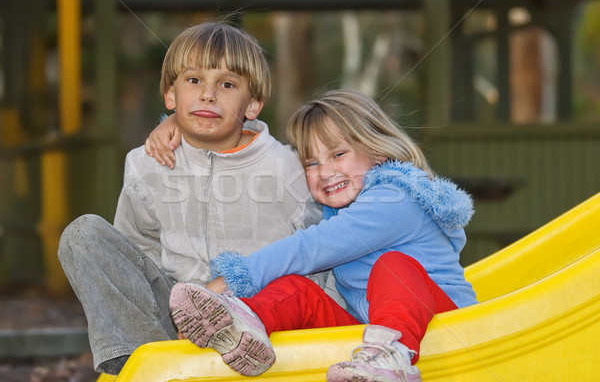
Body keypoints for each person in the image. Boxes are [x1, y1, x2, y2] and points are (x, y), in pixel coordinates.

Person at [57, 21, 323, 375]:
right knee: (82, 234)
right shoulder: (146, 163)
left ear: (253, 104)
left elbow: (321, 251)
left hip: (253, 316)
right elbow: (137, 248)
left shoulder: (285, 166)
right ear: (170, 96)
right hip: (173, 314)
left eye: (227, 84)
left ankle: (202, 355)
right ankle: (152, 363)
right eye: (194, 81)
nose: (208, 95)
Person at [168, 89, 478, 381]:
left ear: (377, 152)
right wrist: (177, 126)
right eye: (312, 163)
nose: (325, 171)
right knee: (297, 290)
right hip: (371, 338)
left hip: (445, 327)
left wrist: (235, 279)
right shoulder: (339, 209)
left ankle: (389, 358)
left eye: (338, 154)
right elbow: (261, 152)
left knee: (393, 266)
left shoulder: (396, 199)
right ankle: (240, 326)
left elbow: (313, 247)